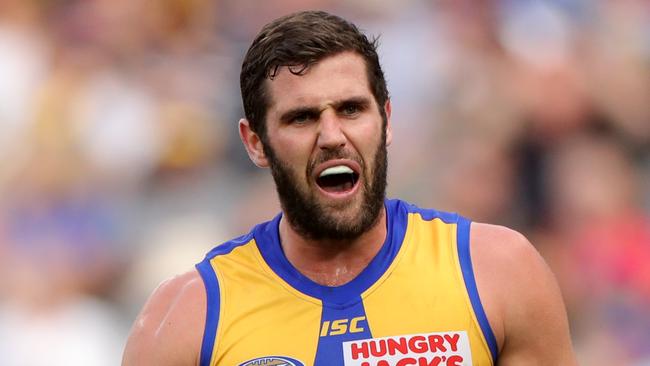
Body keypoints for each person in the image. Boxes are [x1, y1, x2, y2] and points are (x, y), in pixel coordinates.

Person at [122, 10, 576, 366]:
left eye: (352, 109)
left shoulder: (497, 272)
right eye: (302, 117)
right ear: (255, 143)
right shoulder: (187, 318)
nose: (332, 135)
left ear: (387, 120)